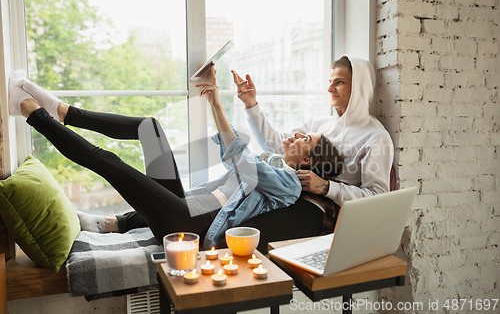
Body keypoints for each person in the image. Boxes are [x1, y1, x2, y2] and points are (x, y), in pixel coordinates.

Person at [8, 65, 343, 249]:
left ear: (308, 163)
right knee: (149, 128)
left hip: (191, 226)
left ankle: (33, 114)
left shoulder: (289, 186)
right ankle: (67, 113)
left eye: (305, 139)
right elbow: (229, 149)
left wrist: (216, 104)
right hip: (185, 204)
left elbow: (238, 158)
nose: (295, 134)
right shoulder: (270, 160)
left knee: (111, 163)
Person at [232, 55, 395, 252]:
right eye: (330, 82)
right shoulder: (317, 124)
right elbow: (275, 144)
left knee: (244, 235)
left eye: (339, 82)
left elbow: (377, 197)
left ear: (360, 87)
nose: (330, 89)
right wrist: (251, 105)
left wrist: (327, 187)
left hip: (321, 212)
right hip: (288, 195)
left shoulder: (376, 137)